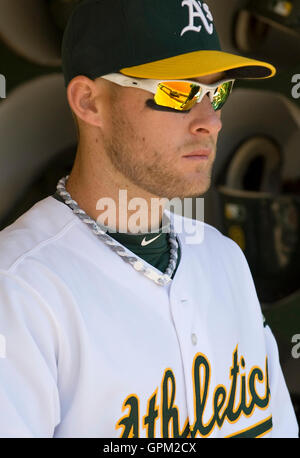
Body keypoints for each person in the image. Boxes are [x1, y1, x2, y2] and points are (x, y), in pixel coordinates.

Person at [0, 0, 298, 438]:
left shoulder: (225, 258)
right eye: (178, 92)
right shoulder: (20, 286)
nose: (210, 122)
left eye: (217, 92)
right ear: (89, 102)